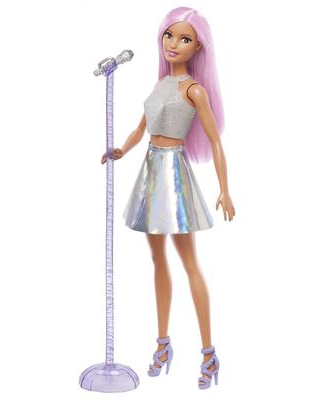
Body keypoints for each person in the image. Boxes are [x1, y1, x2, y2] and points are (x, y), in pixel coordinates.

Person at [101, 6, 235, 389]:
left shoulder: (193, 90)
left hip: (174, 176)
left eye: (185, 39)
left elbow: (215, 141)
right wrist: (121, 150)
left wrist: (224, 189)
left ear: (198, 47)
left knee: (189, 262)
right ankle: (163, 344)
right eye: (169, 36)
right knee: (157, 260)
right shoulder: (160, 83)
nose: (174, 44)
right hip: (150, 173)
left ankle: (208, 353)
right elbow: (141, 127)